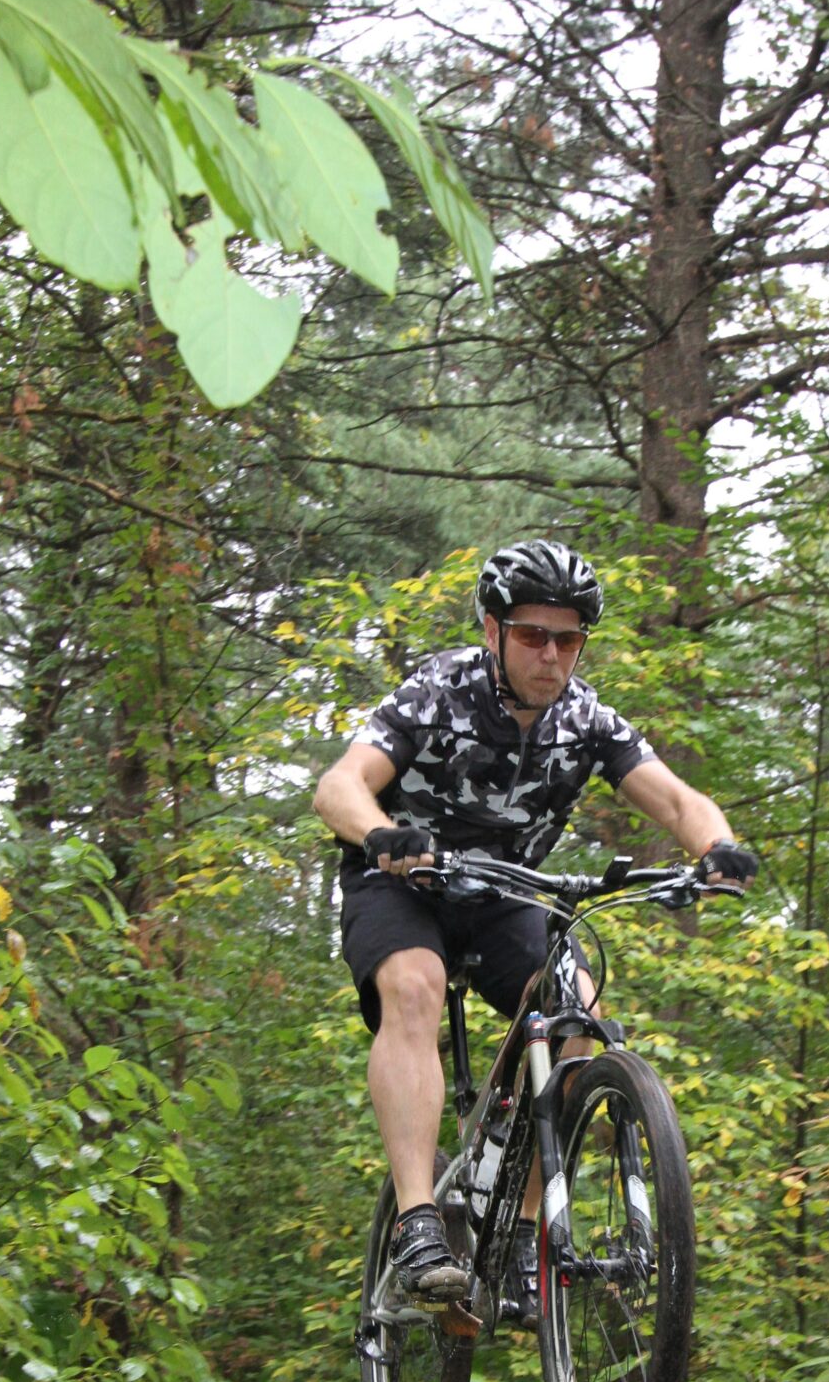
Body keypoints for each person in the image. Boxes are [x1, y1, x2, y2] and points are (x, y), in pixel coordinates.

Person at [312, 539, 757, 1311]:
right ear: (493, 632)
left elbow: (679, 801)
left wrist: (714, 848)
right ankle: (418, 1220)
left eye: (568, 639)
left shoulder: (587, 720)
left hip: (502, 893)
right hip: (400, 878)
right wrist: (381, 834)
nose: (550, 655)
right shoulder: (438, 692)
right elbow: (340, 786)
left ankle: (522, 1228)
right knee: (413, 988)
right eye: (531, 635)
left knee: (577, 1013)